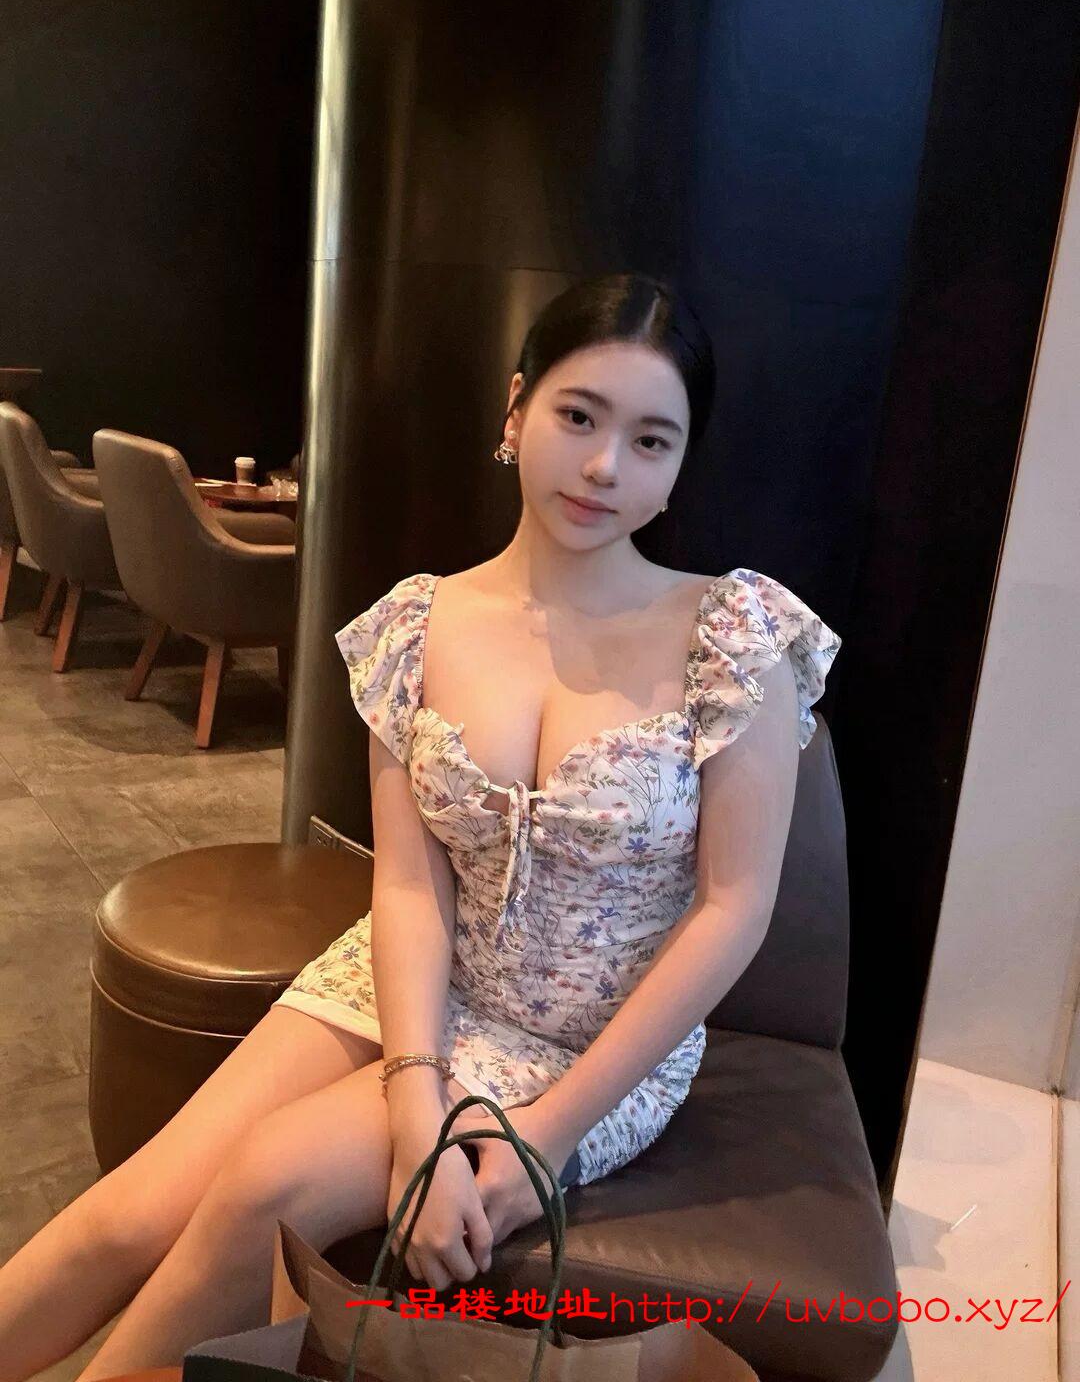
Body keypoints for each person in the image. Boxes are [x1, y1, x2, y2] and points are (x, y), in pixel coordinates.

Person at [0, 273, 841, 1378]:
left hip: (590, 1047)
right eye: (578, 415)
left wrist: (544, 1134)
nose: (604, 465)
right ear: (516, 409)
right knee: (126, 1214)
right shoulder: (416, 624)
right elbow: (405, 886)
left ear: (681, 462)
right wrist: (416, 1099)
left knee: (263, 1185)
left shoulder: (731, 634)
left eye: (651, 440)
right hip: (405, 982)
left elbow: (734, 911)